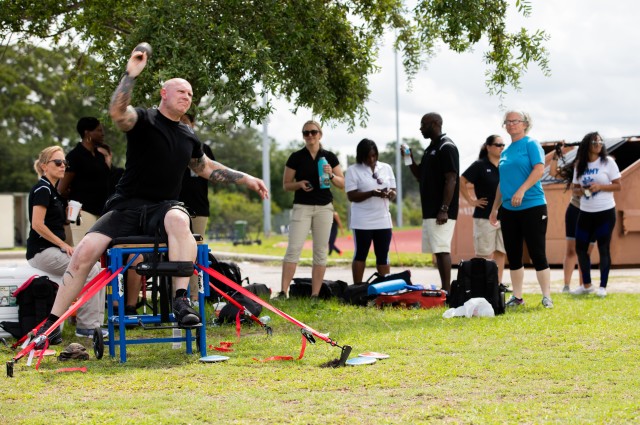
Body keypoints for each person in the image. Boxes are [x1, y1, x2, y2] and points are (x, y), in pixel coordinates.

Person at [35, 46, 268, 346]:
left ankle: (181, 300)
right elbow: (118, 112)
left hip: (164, 208)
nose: (187, 96)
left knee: (178, 219)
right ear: (163, 93)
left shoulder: (188, 136)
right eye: (181, 91)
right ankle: (52, 324)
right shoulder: (144, 120)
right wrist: (130, 74)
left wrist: (247, 179)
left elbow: (206, 168)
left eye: (190, 94)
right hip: (126, 207)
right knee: (83, 253)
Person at [26, 146, 106, 340]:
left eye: (65, 163)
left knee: (96, 268)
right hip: (42, 252)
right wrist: (63, 245)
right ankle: (87, 326)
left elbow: (57, 225)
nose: (63, 166)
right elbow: (37, 224)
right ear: (45, 166)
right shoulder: (43, 189)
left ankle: (91, 323)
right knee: (91, 270)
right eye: (58, 162)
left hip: (50, 250)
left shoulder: (53, 192)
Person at [489, 111, 553, 308]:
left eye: (515, 121)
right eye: (507, 121)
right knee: (513, 254)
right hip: (508, 210)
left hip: (532, 206)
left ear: (525, 124)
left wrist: (522, 190)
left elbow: (539, 169)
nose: (510, 124)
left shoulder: (531, 144)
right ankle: (517, 297)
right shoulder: (506, 152)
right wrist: (494, 209)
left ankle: (546, 297)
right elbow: (503, 182)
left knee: (537, 252)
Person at [277, 120, 345, 299]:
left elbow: (342, 183)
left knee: (321, 251)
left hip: (324, 208)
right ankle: (283, 292)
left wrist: (330, 175)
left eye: (313, 132)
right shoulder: (296, 157)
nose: (310, 136)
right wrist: (298, 184)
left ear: (320, 134)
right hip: (302, 207)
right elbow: (286, 185)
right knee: (293, 248)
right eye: (306, 133)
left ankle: (315, 294)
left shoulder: (329, 156)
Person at [404, 113, 459, 292]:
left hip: (441, 211)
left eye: (423, 124)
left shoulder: (446, 146)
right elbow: (420, 176)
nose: (420, 128)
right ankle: (445, 289)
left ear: (435, 124)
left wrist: (444, 208)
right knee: (437, 250)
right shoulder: (430, 149)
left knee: (442, 250)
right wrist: (409, 159)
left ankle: (447, 291)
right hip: (430, 209)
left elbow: (451, 179)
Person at [570, 132, 621, 297]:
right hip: (585, 212)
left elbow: (618, 186)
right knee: (580, 248)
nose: (598, 144)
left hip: (605, 212)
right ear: (587, 145)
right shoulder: (580, 165)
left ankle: (602, 287)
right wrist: (584, 190)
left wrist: (600, 187)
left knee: (603, 248)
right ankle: (586, 285)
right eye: (594, 141)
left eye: (600, 141)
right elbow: (574, 188)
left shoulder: (608, 163)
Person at [58, 117, 123, 246]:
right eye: (99, 130)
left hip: (101, 210)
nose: (102, 133)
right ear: (87, 132)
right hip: (80, 211)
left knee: (100, 250)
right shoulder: (74, 156)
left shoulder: (99, 156)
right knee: (83, 248)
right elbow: (61, 188)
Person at [345, 138, 397, 284]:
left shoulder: (386, 168)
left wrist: (391, 194)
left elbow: (393, 190)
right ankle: (357, 288)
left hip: (383, 219)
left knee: (383, 255)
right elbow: (352, 196)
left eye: (374, 155)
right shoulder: (353, 170)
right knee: (361, 254)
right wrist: (371, 193)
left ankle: (383, 289)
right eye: (367, 156)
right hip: (363, 221)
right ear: (360, 156)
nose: (371, 159)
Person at [459, 135, 506, 284]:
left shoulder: (505, 165)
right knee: (484, 254)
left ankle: (496, 285)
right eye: (498, 144)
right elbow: (462, 180)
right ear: (488, 147)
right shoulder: (480, 165)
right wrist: (471, 201)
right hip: (484, 216)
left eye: (503, 145)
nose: (501, 147)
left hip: (504, 215)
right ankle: (482, 285)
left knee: (501, 251)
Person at [549, 143, 596, 293]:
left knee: (586, 251)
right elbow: (553, 173)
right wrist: (556, 155)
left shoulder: (602, 166)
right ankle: (566, 286)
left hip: (593, 212)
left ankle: (585, 286)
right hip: (575, 210)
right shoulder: (576, 166)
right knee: (571, 250)